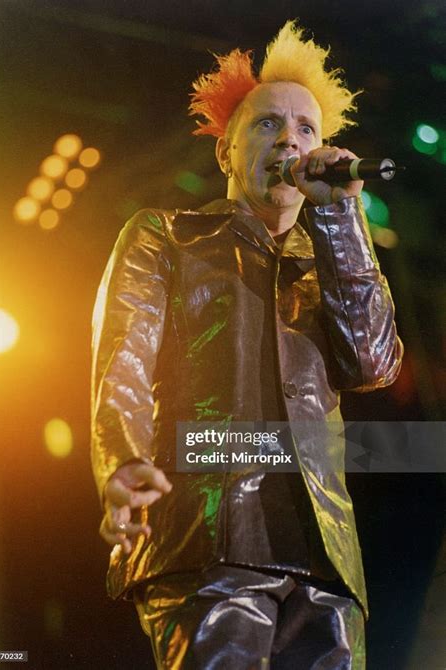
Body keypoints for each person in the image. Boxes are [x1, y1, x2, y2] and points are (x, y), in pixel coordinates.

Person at [91, 20, 403, 669]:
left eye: (306, 128)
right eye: (267, 124)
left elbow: (372, 364)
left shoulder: (334, 255)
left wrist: (340, 218)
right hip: (208, 543)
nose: (290, 137)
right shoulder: (167, 236)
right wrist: (121, 461)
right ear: (225, 152)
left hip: (327, 565)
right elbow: (122, 355)